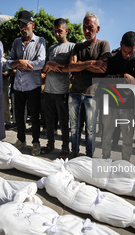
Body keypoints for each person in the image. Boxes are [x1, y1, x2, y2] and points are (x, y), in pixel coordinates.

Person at [68, 12, 110, 158]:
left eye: (90, 27)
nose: (86, 31)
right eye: (84, 27)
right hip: (75, 92)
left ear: (97, 28)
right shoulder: (77, 46)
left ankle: (89, 156)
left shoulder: (103, 44)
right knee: (74, 127)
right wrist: (92, 63)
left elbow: (102, 67)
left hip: (92, 94)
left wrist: (80, 65)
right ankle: (74, 152)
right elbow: (71, 66)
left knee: (90, 129)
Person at [101, 31, 135, 161]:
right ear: (120, 45)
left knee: (127, 138)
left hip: (128, 106)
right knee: (107, 136)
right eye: (125, 51)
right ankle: (105, 161)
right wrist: (122, 77)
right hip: (110, 103)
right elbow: (103, 80)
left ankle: (125, 164)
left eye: (130, 52)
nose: (127, 54)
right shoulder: (112, 58)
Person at [7, 10, 46, 156]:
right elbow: (8, 62)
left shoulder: (40, 40)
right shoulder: (16, 42)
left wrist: (22, 65)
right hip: (18, 86)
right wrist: (17, 62)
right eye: (20, 25)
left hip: (33, 85)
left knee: (34, 116)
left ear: (32, 25)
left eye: (25, 25)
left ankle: (35, 142)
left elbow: (41, 62)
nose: (22, 28)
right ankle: (21, 140)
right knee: (19, 116)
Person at [40, 18, 75, 159]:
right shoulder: (51, 48)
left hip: (62, 92)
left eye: (59, 31)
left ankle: (65, 147)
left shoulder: (72, 47)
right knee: (49, 121)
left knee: (63, 122)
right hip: (48, 90)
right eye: (55, 31)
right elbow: (44, 69)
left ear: (66, 31)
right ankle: (50, 144)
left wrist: (54, 66)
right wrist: (49, 64)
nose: (57, 34)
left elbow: (70, 68)